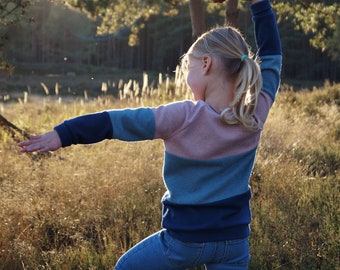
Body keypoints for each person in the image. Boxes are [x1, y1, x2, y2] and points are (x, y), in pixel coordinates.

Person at [18, 0, 281, 269]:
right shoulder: (255, 113)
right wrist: (260, 5)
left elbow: (114, 122)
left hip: (183, 244)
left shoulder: (182, 117)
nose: (187, 80)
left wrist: (63, 134)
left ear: (206, 64)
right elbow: (272, 58)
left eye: (188, 70)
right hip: (234, 244)